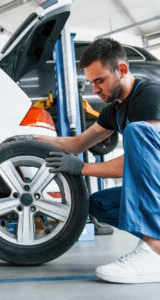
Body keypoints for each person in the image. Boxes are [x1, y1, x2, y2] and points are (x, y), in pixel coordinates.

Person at [10, 38, 160, 283]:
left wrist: (83, 168)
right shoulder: (114, 110)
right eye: (91, 82)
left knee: (136, 132)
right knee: (100, 204)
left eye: (99, 81)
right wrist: (30, 139)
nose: (95, 90)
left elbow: (140, 162)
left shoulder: (150, 95)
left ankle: (156, 250)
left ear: (121, 70)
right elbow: (77, 143)